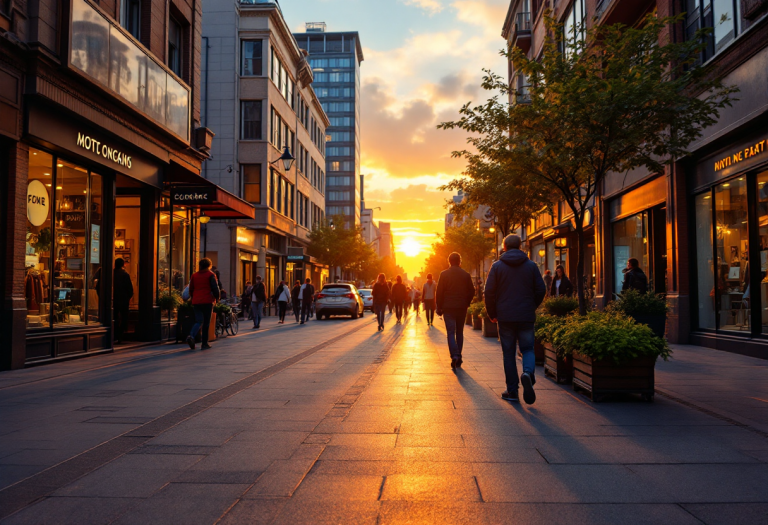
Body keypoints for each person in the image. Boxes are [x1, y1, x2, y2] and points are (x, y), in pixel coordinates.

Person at [485, 234, 546, 405]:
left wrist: (492, 313)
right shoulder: (532, 266)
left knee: (509, 353)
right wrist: (531, 305)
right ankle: (528, 373)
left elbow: (489, 292)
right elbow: (541, 289)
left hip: (505, 317)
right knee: (527, 349)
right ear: (521, 246)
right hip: (526, 315)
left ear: (504, 247)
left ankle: (512, 391)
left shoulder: (497, 267)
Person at [435, 252, 475, 369]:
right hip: (461, 307)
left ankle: (455, 355)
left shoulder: (444, 274)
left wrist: (439, 306)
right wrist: (466, 302)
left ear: (449, 261)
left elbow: (439, 292)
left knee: (451, 332)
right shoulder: (465, 275)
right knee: (459, 332)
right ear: (459, 261)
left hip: (448, 308)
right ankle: (459, 356)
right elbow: (472, 291)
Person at [186, 258, 220, 350]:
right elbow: (215, 288)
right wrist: (217, 298)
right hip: (207, 301)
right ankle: (204, 344)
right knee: (206, 323)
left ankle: (191, 336)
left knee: (198, 321)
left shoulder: (194, 275)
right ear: (209, 265)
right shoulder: (211, 275)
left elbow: (191, 289)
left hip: (196, 301)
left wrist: (193, 297)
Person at [113, 258, 134, 344]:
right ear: (122, 265)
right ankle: (120, 335)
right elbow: (130, 289)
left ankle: (115, 334)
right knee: (124, 317)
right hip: (123, 300)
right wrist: (128, 297)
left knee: (114, 317)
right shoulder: (125, 275)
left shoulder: (111, 274)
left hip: (114, 299)